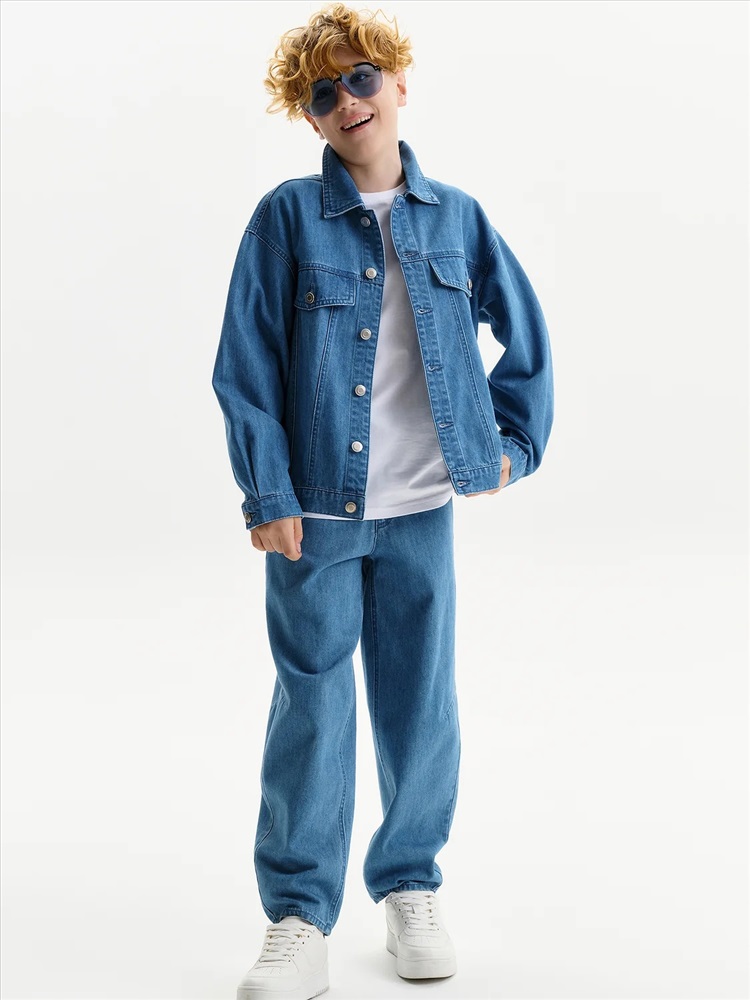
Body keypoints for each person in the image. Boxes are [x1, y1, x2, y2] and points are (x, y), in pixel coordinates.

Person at [212, 4, 554, 998]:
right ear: (309, 117)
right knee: (312, 704)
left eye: (361, 77)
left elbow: (526, 336)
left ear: (400, 83)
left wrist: (510, 446)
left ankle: (409, 884)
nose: (347, 100)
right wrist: (266, 488)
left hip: (422, 508)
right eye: (323, 92)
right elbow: (244, 364)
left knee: (419, 702)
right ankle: (298, 915)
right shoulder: (286, 217)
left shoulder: (459, 218)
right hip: (316, 511)